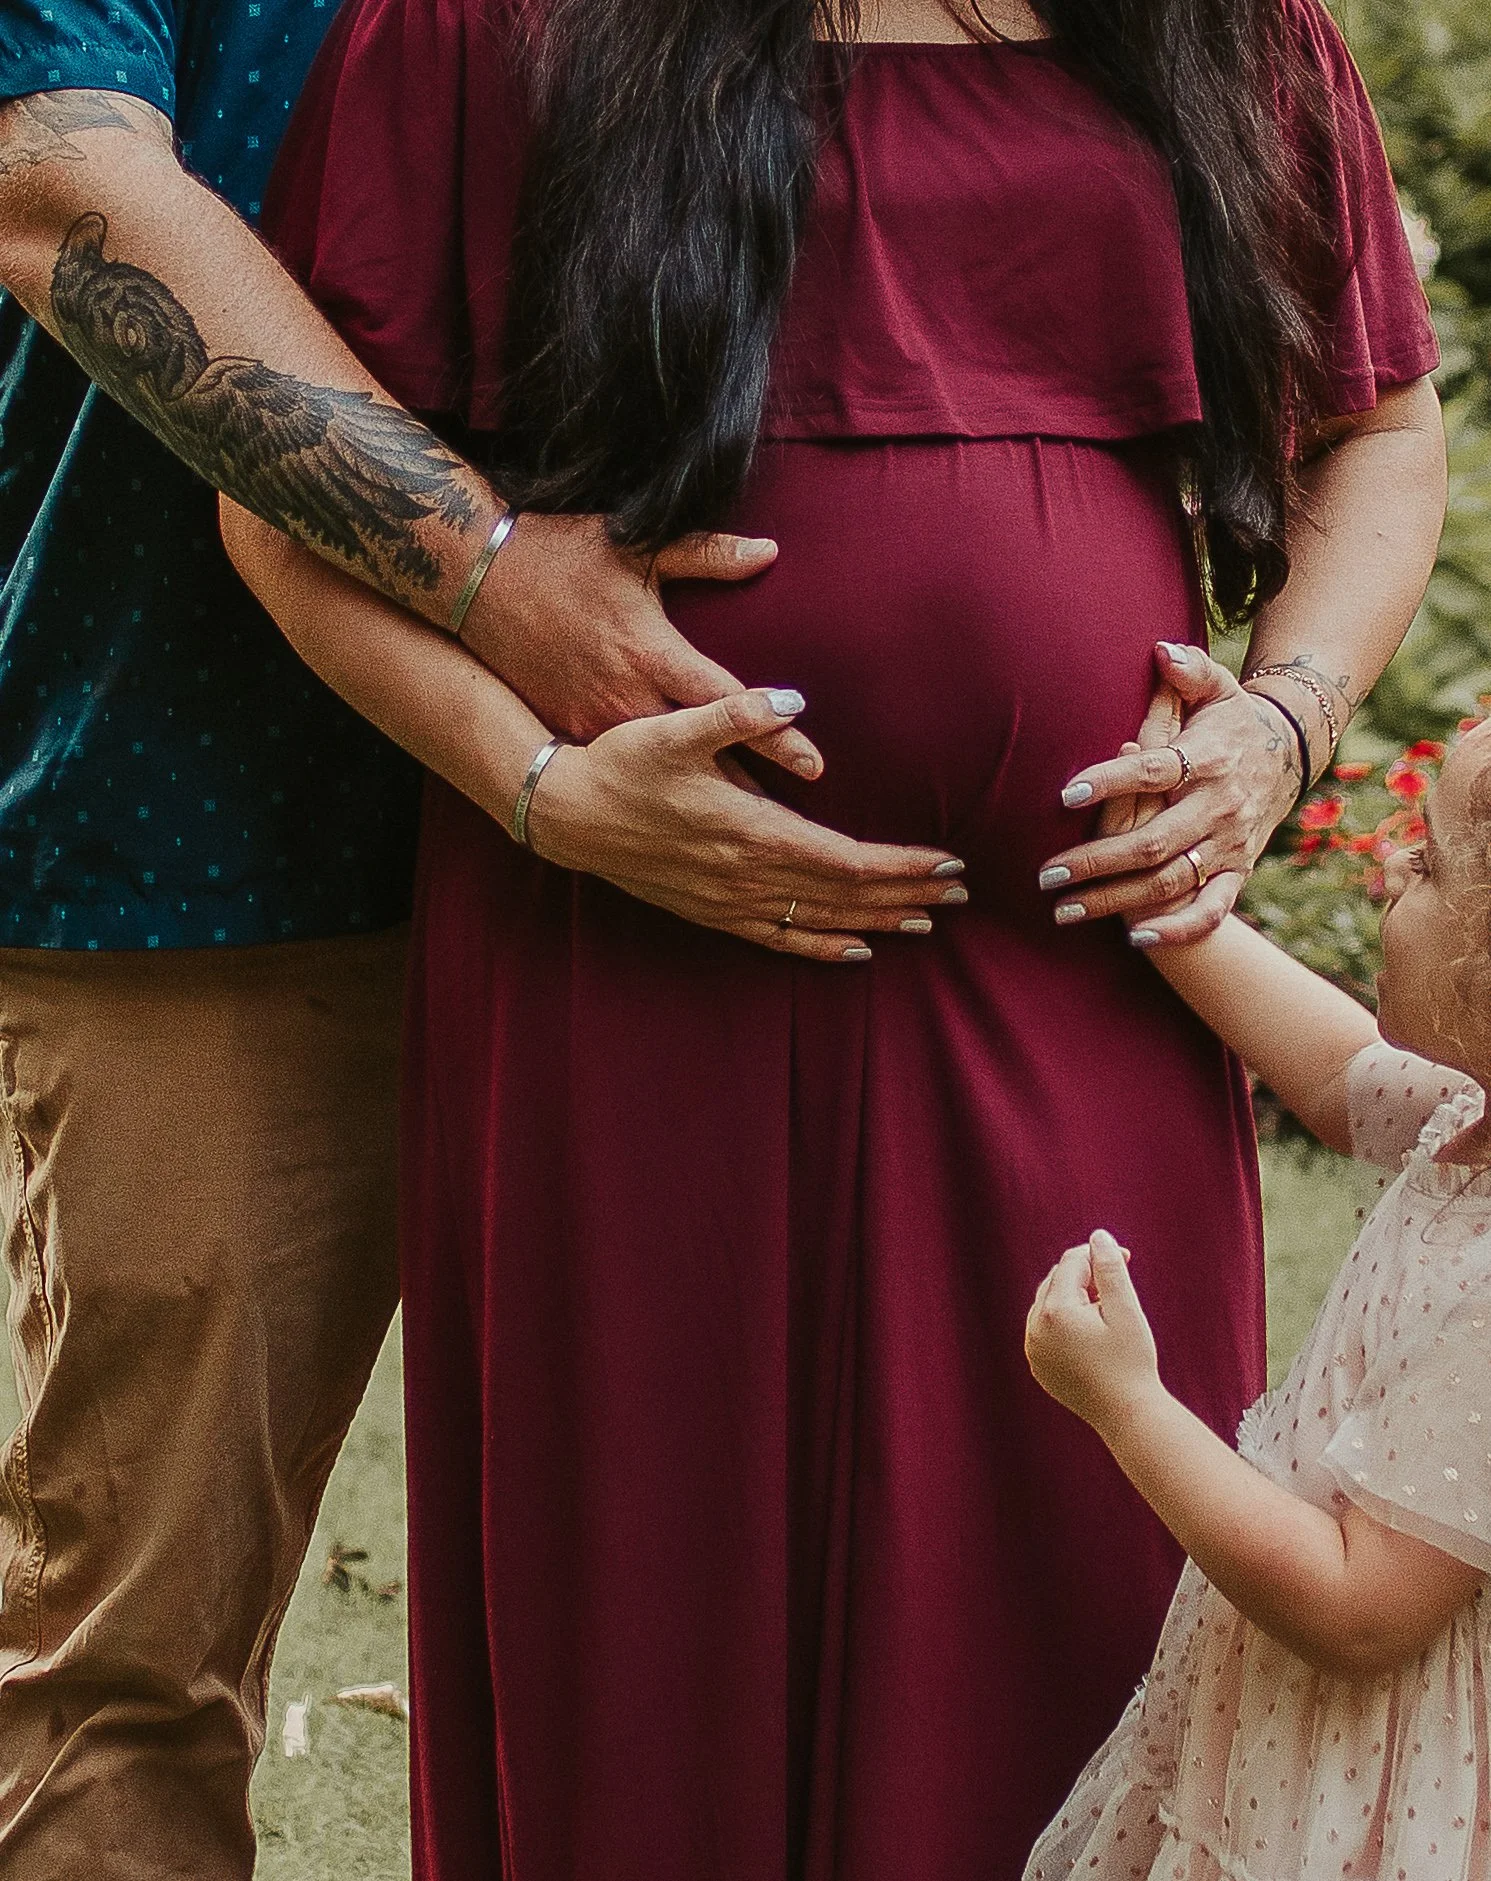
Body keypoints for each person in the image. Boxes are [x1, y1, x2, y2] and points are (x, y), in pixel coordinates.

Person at [226, 0, 1447, 1871]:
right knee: (649, 1649)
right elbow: (283, 498)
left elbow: (1378, 425)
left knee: (1088, 1598)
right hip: (625, 965)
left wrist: (1278, 723)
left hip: (1091, 973)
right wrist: (544, 792)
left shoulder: (1224, 32)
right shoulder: (483, 27)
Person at [0, 5, 953, 1877]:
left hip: (701, 865)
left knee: (725, 1626)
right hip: (220, 843)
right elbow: (58, 190)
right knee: (138, 1672)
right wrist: (499, 584)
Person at [1024, 687, 1491, 1880]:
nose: (1392, 868)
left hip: (1364, 1800)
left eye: (1429, 865)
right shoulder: (1468, 1125)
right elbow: (1337, 1075)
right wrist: (1165, 893)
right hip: (1283, 1737)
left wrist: (1126, 1404)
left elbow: (1358, 1608)